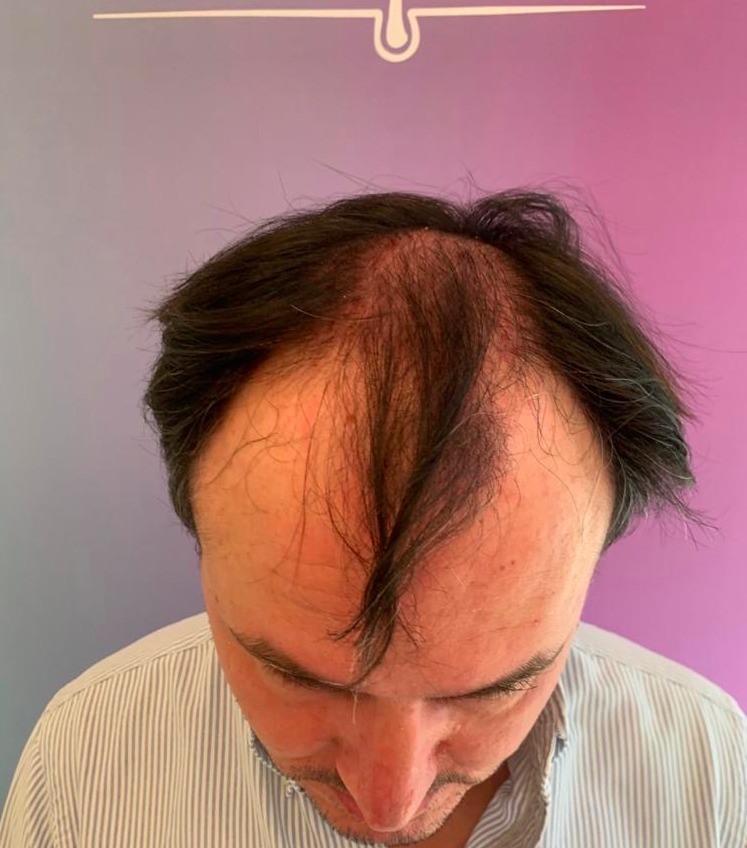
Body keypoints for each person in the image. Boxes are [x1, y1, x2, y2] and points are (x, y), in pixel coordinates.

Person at [1, 191, 744, 848]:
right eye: (298, 680)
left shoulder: (709, 767)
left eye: (492, 691)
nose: (390, 802)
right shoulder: (86, 759)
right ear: (200, 543)